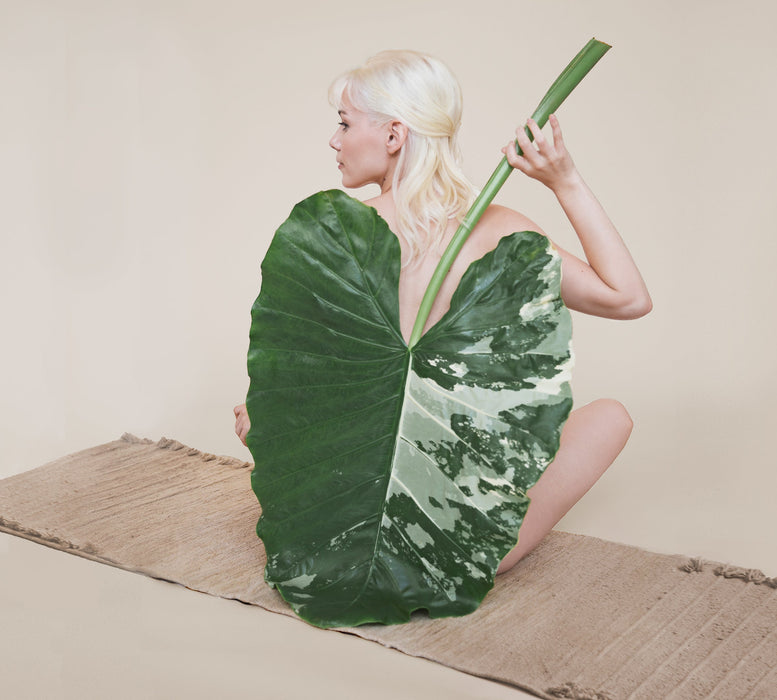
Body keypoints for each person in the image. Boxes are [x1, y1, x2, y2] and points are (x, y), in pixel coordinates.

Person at [234, 49, 651, 574]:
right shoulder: (500, 229)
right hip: (461, 546)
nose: (334, 141)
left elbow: (310, 376)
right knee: (611, 417)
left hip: (336, 535)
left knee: (262, 414)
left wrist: (265, 418)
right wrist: (563, 179)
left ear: (394, 135)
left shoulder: (334, 235)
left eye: (344, 123)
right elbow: (627, 298)